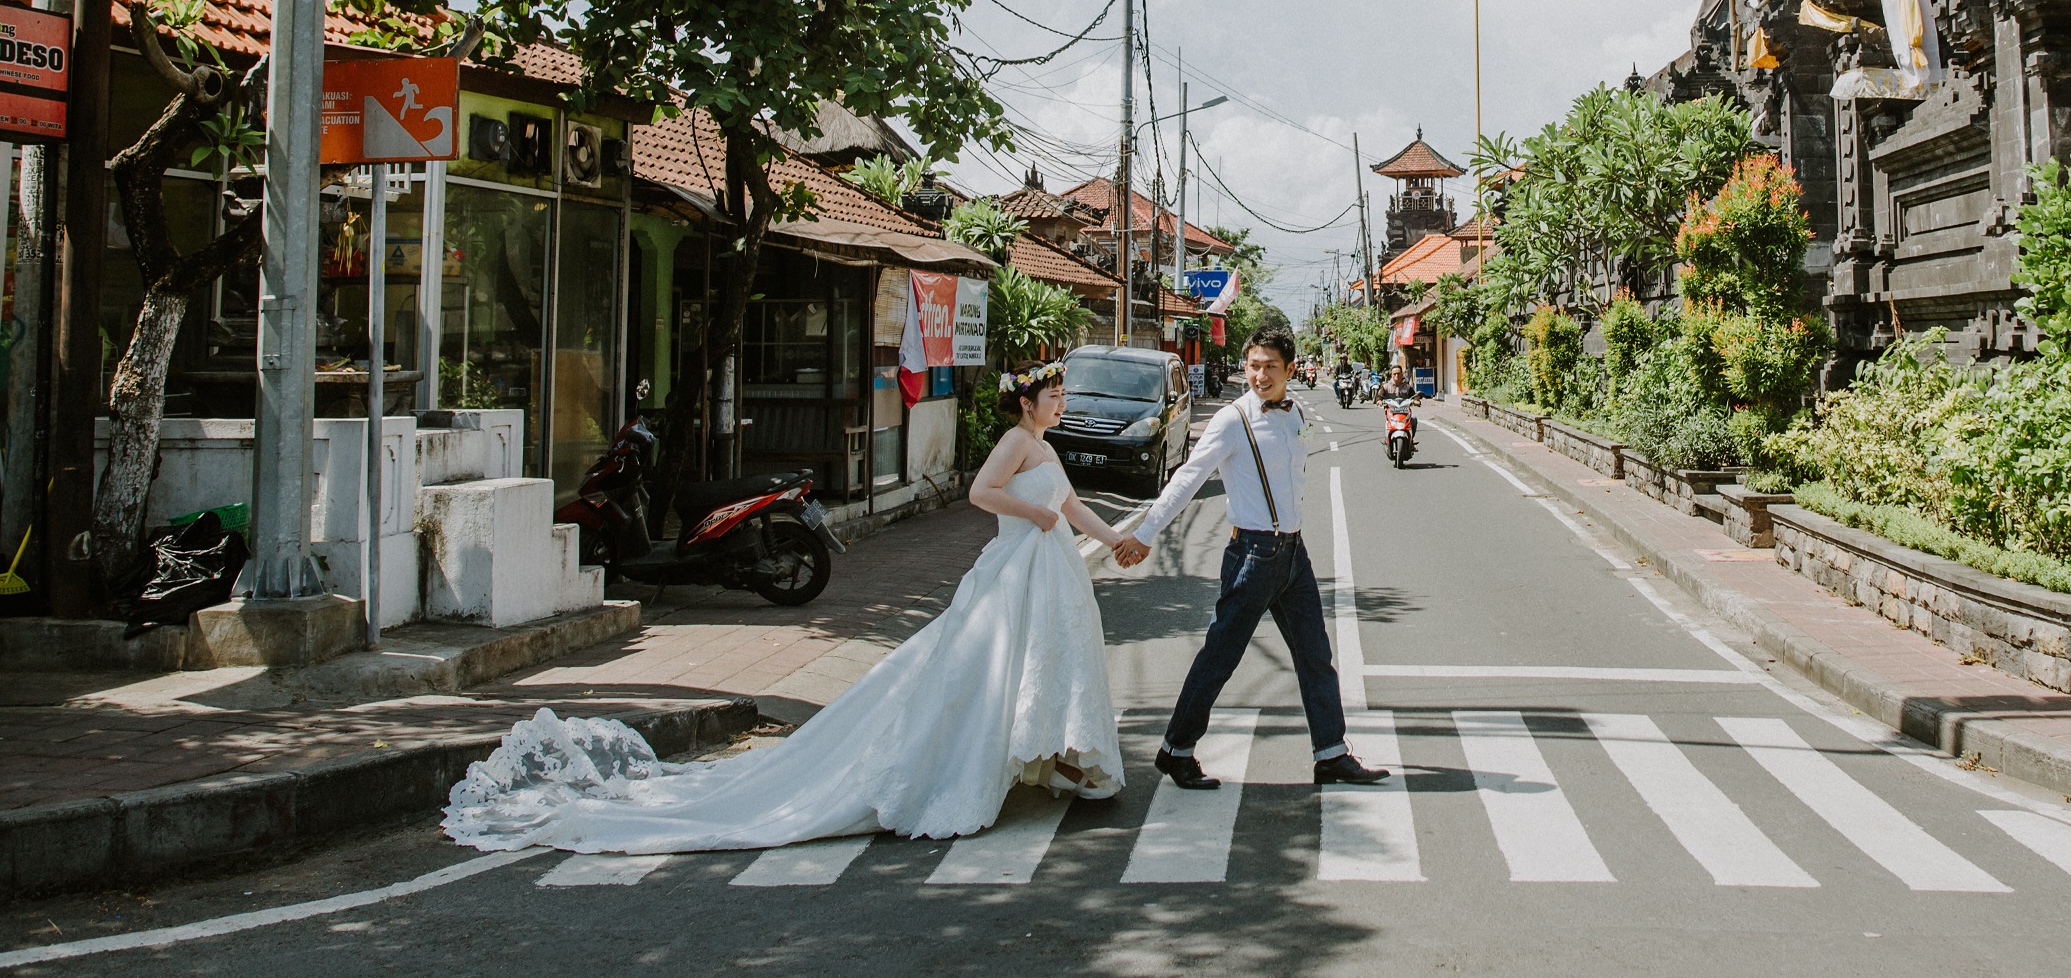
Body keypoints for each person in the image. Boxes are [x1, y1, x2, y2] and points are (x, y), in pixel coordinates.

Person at [439, 364, 1148, 852]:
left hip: (1047, 569)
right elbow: (980, 496)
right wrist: (1033, 512)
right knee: (990, 669)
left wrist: (1115, 537)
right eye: (1054, 394)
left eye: (1060, 394)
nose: (1061, 402)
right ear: (1028, 402)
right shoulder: (1017, 442)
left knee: (1045, 662)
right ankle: (1028, 756)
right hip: (1017, 570)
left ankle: (1055, 754)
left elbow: (1073, 504)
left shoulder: (1044, 445)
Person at [1118, 328, 1388, 791]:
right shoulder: (1231, 420)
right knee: (1221, 655)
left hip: (1292, 553)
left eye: (1270, 367)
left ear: (1289, 369)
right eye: (1253, 366)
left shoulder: (1297, 413)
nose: (1260, 376)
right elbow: (1188, 478)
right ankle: (1176, 750)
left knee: (1315, 655)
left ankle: (1331, 753)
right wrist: (1144, 534)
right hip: (1253, 555)